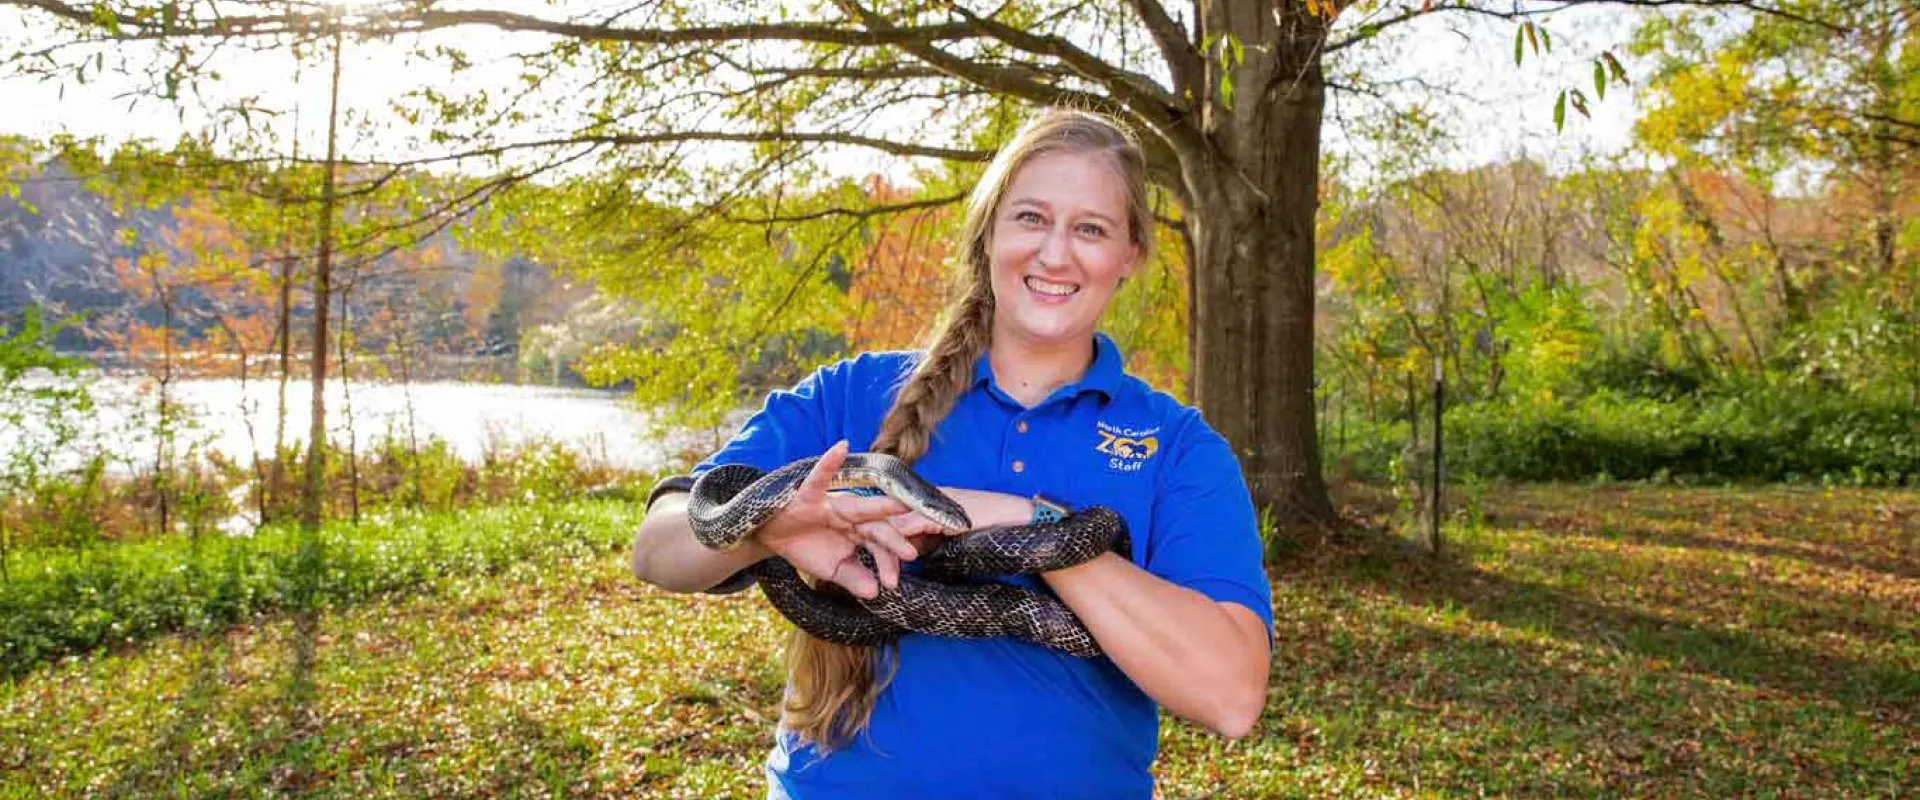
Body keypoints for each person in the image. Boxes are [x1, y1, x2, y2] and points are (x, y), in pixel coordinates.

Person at [632, 108, 1272, 799]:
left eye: (1091, 228)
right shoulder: (853, 394)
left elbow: (1230, 697)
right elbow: (658, 548)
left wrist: (1026, 524)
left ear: (1130, 255)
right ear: (989, 233)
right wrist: (768, 527)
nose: (1055, 254)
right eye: (1031, 218)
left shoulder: (1177, 448)